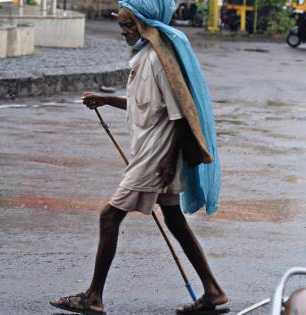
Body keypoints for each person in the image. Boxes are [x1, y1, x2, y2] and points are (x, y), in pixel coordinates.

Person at [50, 1, 228, 314]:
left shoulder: (160, 61)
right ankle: (213, 291)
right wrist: (105, 100)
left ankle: (93, 297)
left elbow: (180, 117)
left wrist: (169, 161)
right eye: (121, 26)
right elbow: (142, 105)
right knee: (174, 220)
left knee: (109, 216)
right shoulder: (144, 58)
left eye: (128, 26)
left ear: (146, 24)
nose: (123, 32)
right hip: (154, 158)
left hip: (155, 160)